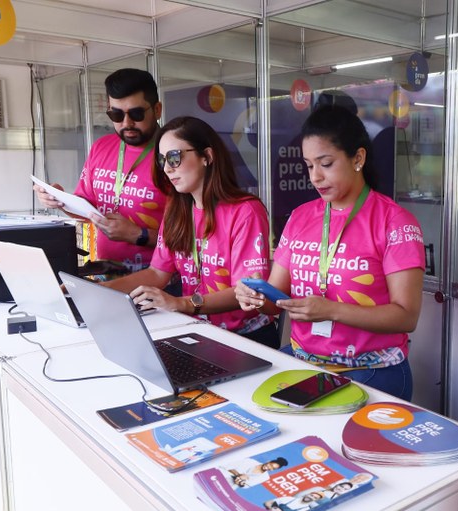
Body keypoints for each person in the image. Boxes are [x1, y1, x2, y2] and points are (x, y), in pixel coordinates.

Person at [235, 105, 425, 400]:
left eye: (326, 164)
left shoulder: (394, 221)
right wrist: (256, 298)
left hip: (370, 370)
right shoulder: (300, 217)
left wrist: (332, 310)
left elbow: (406, 316)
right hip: (304, 361)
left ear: (358, 158)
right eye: (309, 166)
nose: (315, 177)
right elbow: (276, 301)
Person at [104, 116, 278, 347]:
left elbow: (244, 291)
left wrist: (183, 303)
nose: (167, 168)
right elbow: (158, 273)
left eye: (174, 158)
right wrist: (102, 291)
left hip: (246, 339)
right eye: (162, 160)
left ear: (207, 156)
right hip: (197, 331)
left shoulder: (245, 211)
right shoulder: (177, 210)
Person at [33, 68, 167, 273]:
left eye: (136, 114)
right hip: (107, 271)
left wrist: (138, 235)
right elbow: (87, 210)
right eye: (116, 114)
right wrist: (59, 200)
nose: (127, 123)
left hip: (160, 277)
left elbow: (197, 239)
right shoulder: (101, 147)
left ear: (157, 110)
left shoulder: (174, 154)